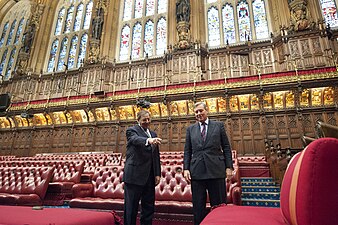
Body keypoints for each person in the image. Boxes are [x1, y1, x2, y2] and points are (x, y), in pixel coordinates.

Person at [183, 102, 233, 225]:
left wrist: (229, 167)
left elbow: (226, 147)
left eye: (200, 111)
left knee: (219, 206)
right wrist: (186, 169)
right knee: (198, 208)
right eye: (196, 112)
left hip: (216, 170)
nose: (198, 114)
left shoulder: (218, 126)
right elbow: (187, 150)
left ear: (207, 111)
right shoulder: (191, 129)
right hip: (197, 172)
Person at [123, 109, 162, 225]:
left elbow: (156, 156)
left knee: (148, 208)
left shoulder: (153, 134)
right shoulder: (131, 131)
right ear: (138, 120)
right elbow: (135, 140)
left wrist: (157, 173)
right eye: (144, 119)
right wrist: (148, 140)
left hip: (149, 177)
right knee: (131, 208)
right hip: (134, 176)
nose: (147, 121)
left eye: (149, 119)